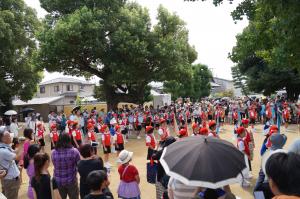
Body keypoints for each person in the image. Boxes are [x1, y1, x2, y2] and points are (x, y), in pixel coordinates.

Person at [51, 133, 80, 199]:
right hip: (71, 180)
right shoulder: (74, 151)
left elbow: (54, 164)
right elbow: (79, 164)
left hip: (58, 181)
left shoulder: (53, 152)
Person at [0, 127, 23, 199]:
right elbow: (18, 157)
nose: (11, 137)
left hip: (8, 179)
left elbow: (14, 152)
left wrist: (19, 145)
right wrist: (22, 145)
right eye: (9, 136)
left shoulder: (4, 147)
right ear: (3, 139)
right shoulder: (3, 151)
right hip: (11, 180)